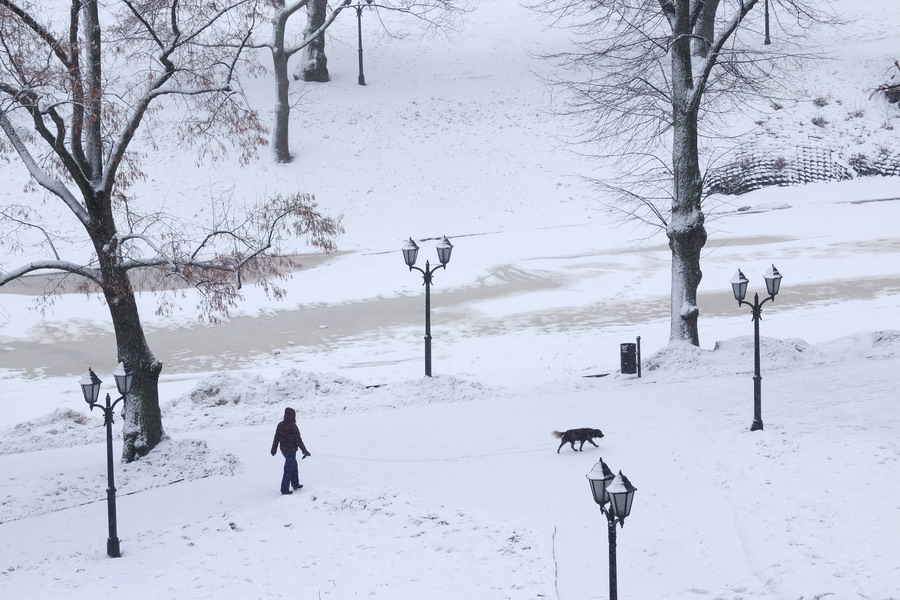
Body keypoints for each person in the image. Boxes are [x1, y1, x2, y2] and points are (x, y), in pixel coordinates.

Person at [270, 407, 311, 495]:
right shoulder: (293, 426)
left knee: (294, 465)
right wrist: (304, 450)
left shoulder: (280, 425)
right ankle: (284, 489)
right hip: (290, 450)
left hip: (283, 450)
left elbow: (276, 438)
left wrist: (274, 448)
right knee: (288, 468)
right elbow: (298, 440)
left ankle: (295, 483)